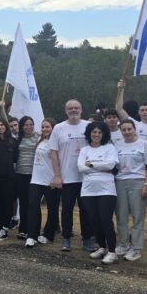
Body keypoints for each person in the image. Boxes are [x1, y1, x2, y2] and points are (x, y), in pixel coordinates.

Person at [117, 79, 147, 244]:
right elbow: (119, 108)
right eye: (142, 110)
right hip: (136, 168)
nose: (144, 112)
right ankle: (130, 233)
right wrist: (121, 89)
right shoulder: (134, 124)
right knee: (132, 205)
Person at [48, 100, 92, 252]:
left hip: (86, 177)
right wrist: (57, 175)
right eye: (70, 108)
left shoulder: (88, 126)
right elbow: (53, 153)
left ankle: (87, 238)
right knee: (66, 209)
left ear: (81, 109)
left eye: (76, 107)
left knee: (86, 209)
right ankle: (66, 238)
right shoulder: (58, 128)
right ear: (66, 111)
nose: (74, 110)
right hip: (67, 177)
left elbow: (96, 147)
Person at [78, 121, 119, 264]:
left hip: (106, 190)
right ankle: (102, 247)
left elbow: (111, 165)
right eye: (94, 132)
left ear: (104, 134)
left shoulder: (109, 148)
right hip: (88, 190)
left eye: (99, 132)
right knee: (94, 220)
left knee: (105, 220)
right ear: (89, 133)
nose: (96, 135)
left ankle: (112, 252)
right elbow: (81, 168)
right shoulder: (84, 150)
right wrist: (101, 166)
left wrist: (91, 164)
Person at [113, 120, 147, 260]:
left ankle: (136, 248)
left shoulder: (143, 144)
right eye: (124, 130)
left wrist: (146, 184)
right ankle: (124, 243)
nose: (127, 132)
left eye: (129, 129)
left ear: (134, 129)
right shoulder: (117, 145)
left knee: (137, 216)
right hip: (120, 182)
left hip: (138, 181)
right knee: (121, 215)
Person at [25, 119, 60, 247]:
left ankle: (48, 235)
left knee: (52, 208)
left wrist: (57, 178)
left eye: (47, 127)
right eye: (43, 127)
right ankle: (31, 235)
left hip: (51, 180)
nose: (45, 129)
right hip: (36, 180)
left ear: (53, 128)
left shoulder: (57, 142)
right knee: (33, 206)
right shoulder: (40, 141)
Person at [13, 116, 40, 240]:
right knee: (23, 202)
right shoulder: (18, 138)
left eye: (31, 124)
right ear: (22, 126)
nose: (29, 127)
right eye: (26, 125)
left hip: (35, 174)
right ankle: (23, 228)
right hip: (20, 174)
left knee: (33, 203)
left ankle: (34, 230)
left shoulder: (39, 137)